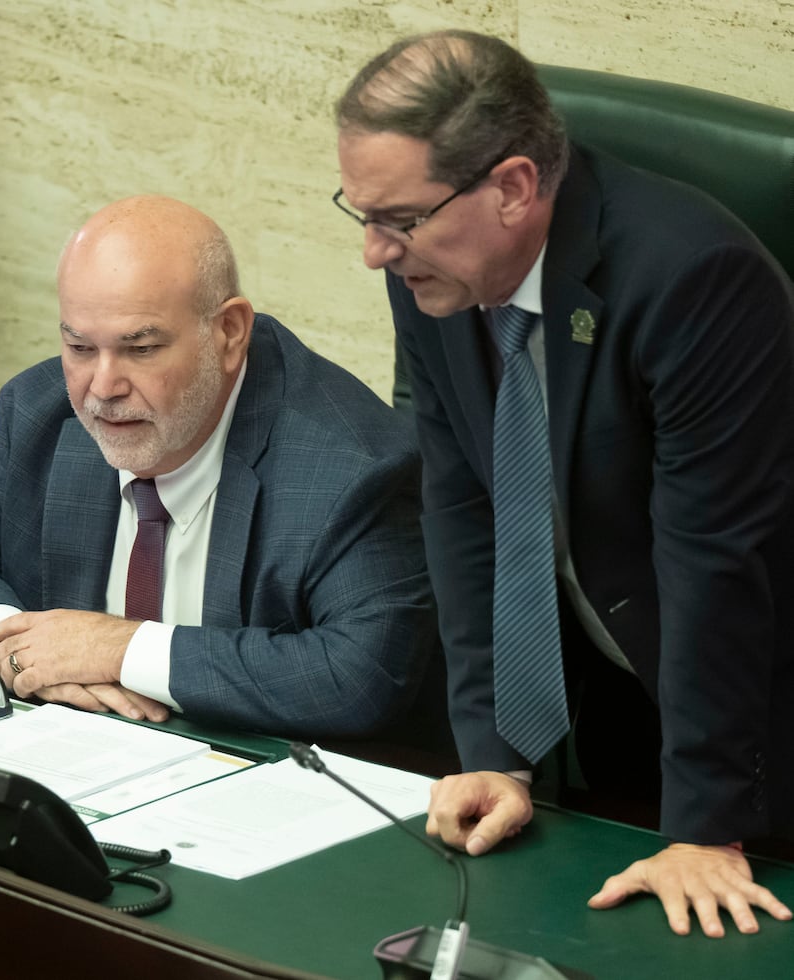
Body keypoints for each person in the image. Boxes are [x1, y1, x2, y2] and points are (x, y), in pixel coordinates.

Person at [334, 30, 794, 938]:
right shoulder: (435, 272)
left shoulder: (695, 278)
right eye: (363, 215)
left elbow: (715, 563)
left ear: (511, 187)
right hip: (623, 692)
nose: (375, 253)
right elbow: (466, 503)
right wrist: (493, 755)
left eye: (400, 219)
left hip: (756, 722)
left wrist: (706, 825)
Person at [0, 194, 436, 742]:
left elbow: (361, 674)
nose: (103, 388)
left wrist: (119, 649)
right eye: (79, 347)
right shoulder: (42, 415)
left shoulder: (346, 467)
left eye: (140, 349)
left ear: (229, 334)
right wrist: (7, 645)